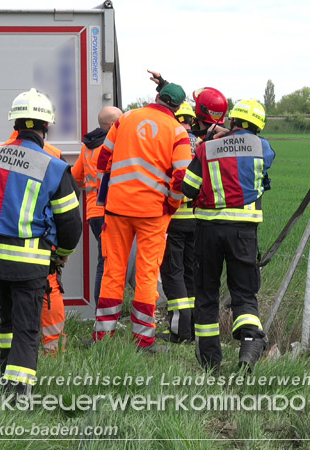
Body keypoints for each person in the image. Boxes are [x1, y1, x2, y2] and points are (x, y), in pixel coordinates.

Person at [0, 88, 83, 395]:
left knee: (8, 320)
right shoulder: (55, 166)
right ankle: (17, 399)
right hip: (30, 265)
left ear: (15, 123)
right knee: (27, 329)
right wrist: (62, 254)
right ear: (46, 126)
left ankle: (5, 375)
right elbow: (71, 223)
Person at [92, 83, 192, 353]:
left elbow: (102, 161)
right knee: (147, 275)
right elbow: (182, 177)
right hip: (153, 213)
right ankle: (143, 341)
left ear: (156, 97)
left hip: (117, 208)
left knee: (113, 271)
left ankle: (103, 337)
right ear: (178, 107)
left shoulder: (125, 119)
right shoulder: (178, 132)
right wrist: (171, 204)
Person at [182, 99, 275, 374]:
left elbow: (188, 189)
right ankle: (249, 345)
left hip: (208, 230)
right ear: (257, 125)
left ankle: (210, 363)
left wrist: (207, 143)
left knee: (207, 293)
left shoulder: (207, 149)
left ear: (231, 121)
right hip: (244, 233)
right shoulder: (263, 147)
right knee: (244, 293)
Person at [1, 130, 68, 356]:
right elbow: (68, 202)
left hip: (5, 237)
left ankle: (14, 347)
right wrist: (63, 246)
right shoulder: (53, 154)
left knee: (11, 292)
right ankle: (53, 347)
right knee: (49, 288)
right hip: (43, 236)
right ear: (45, 126)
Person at [71, 106, 122, 307]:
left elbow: (75, 178)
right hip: (111, 212)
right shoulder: (114, 146)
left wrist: (91, 186)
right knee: (108, 264)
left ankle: (105, 313)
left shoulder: (88, 147)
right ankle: (103, 314)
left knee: (106, 261)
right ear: (112, 125)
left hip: (94, 213)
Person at [158, 102, 199, 344]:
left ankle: (179, 331)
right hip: (198, 219)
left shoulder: (170, 142)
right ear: (192, 121)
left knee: (173, 273)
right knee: (191, 274)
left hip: (173, 218)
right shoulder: (202, 145)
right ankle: (193, 328)